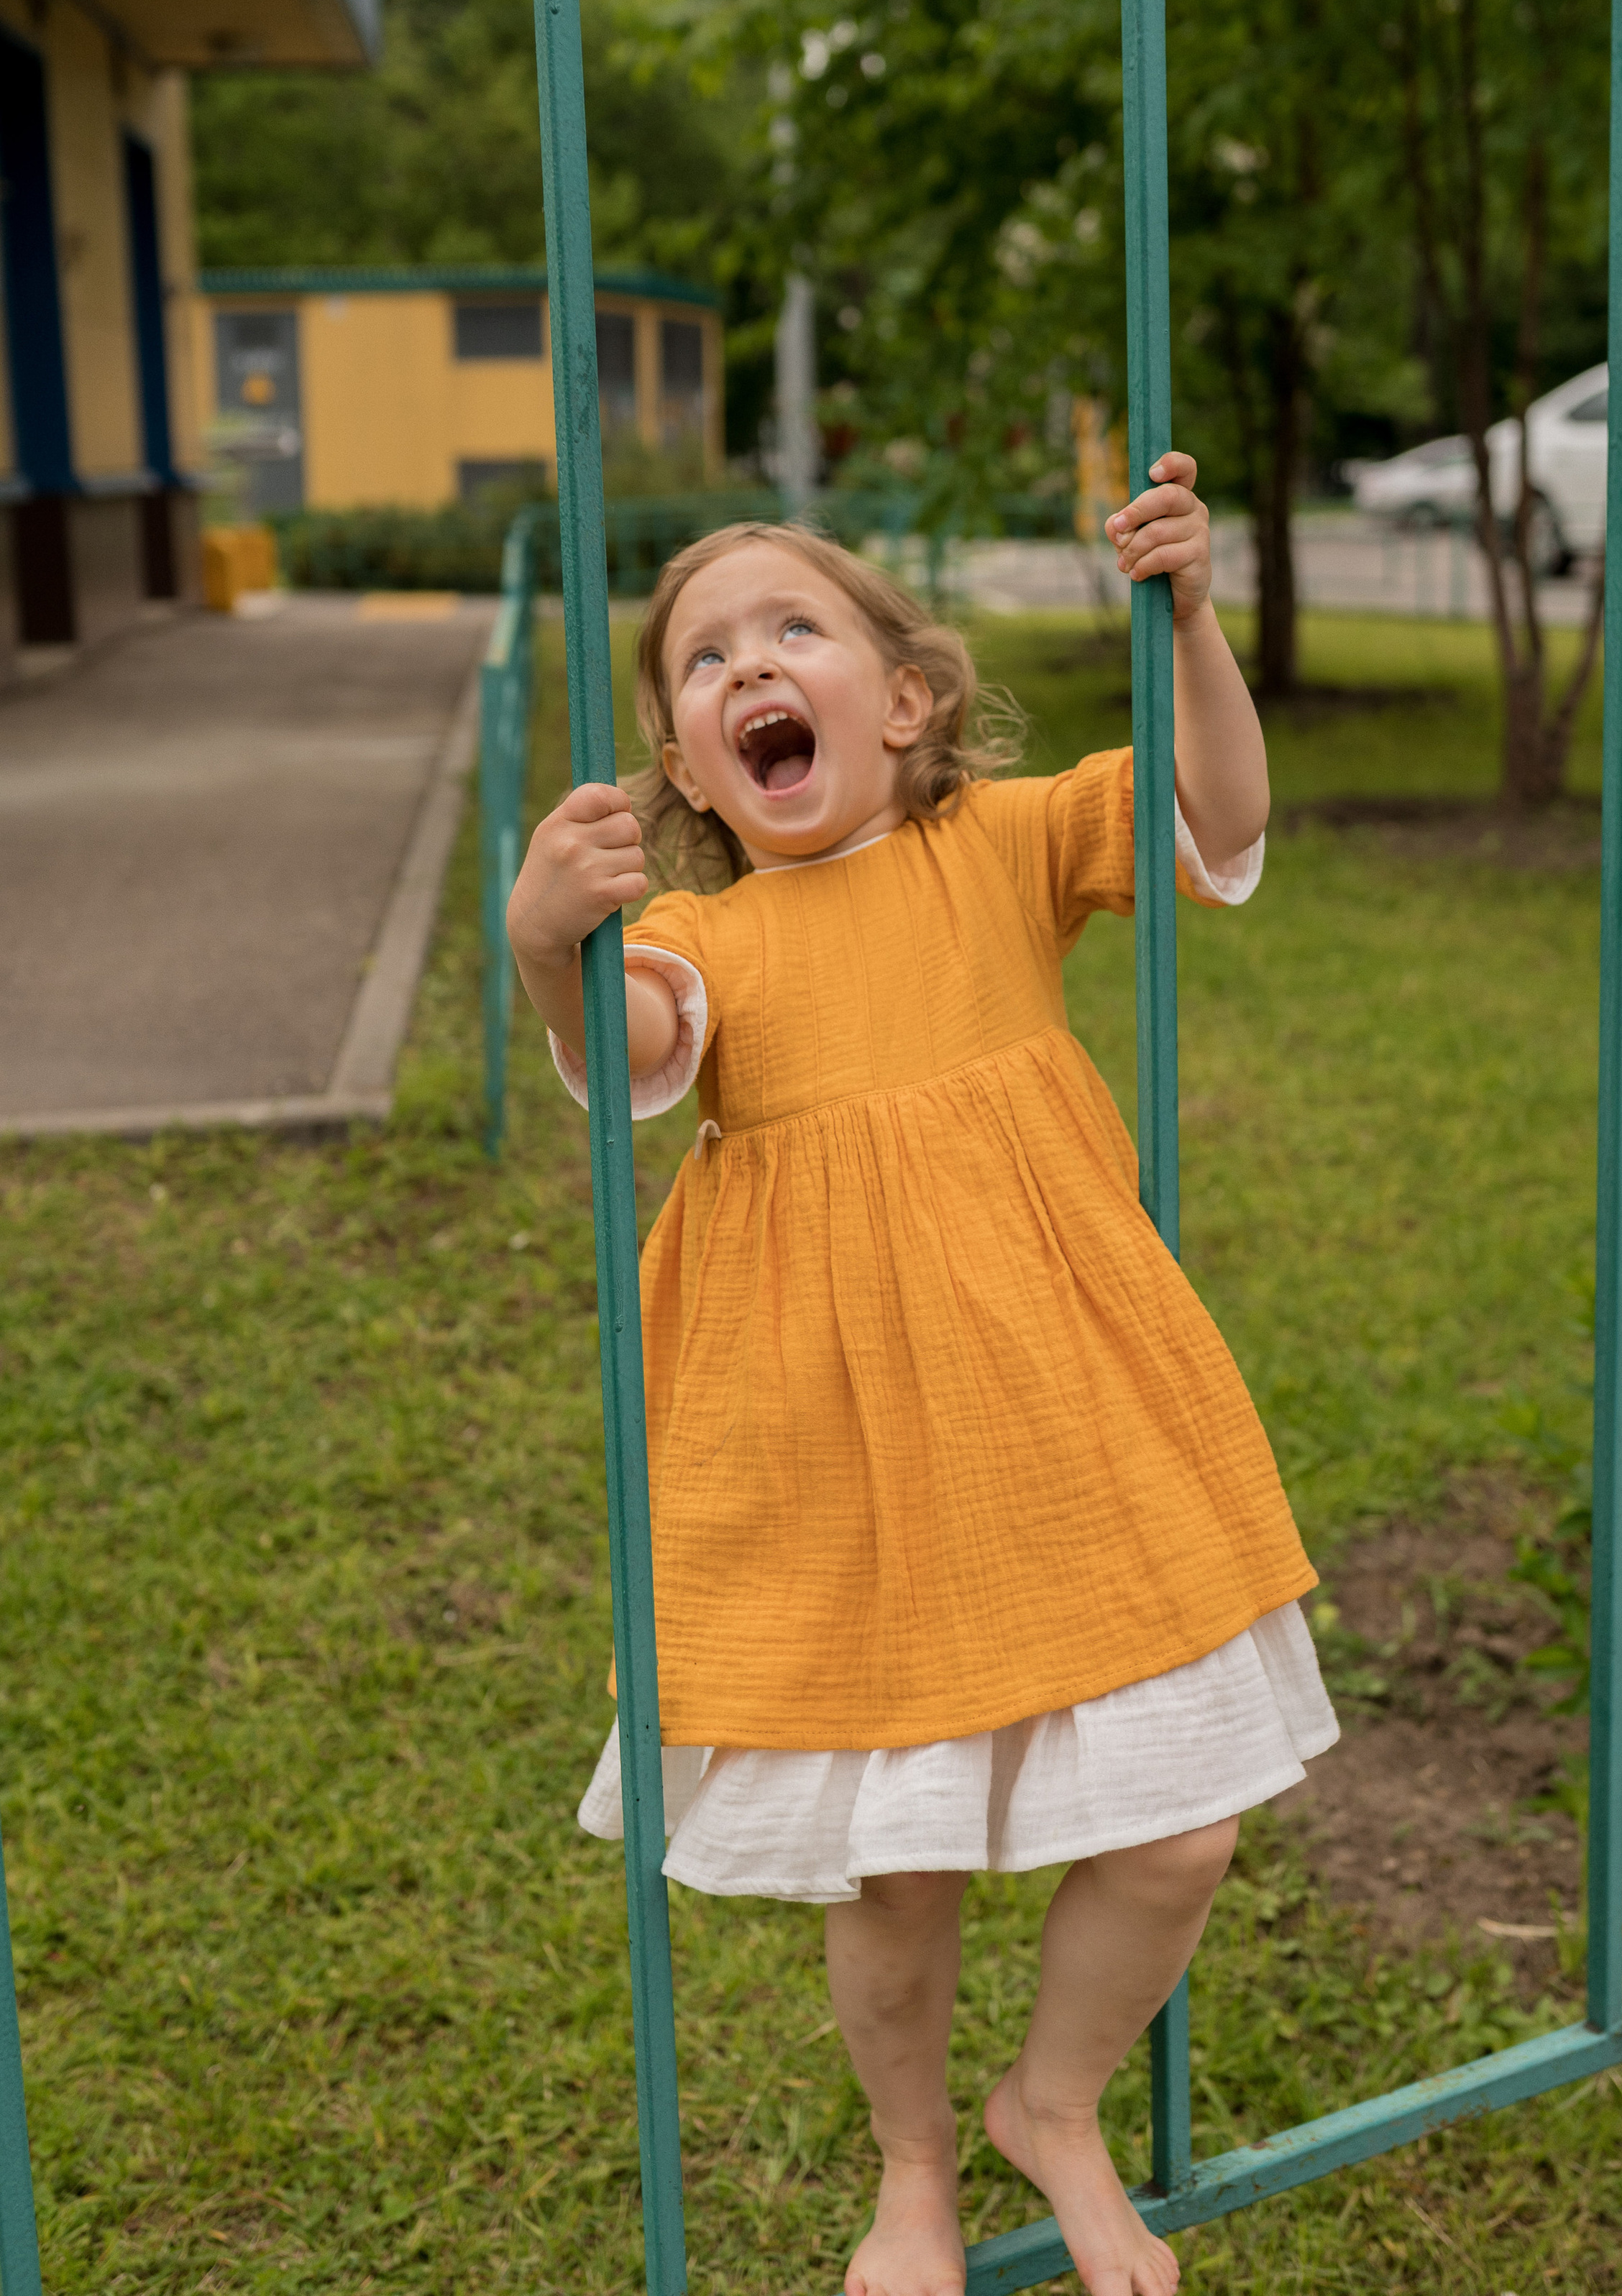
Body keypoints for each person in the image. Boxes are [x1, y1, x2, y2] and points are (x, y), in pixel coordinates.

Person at [507, 452, 1336, 2296]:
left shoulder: (1001, 845)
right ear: (687, 761)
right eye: (701, 662)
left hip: (1060, 1409)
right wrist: (547, 946)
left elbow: (1213, 811)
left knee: (1180, 1830)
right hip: (839, 1453)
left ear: (903, 703)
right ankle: (912, 2174)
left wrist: (1193, 617)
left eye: (788, 628)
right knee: (899, 1877)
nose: (744, 668)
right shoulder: (706, 936)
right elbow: (630, 1050)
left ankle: (1053, 2103)